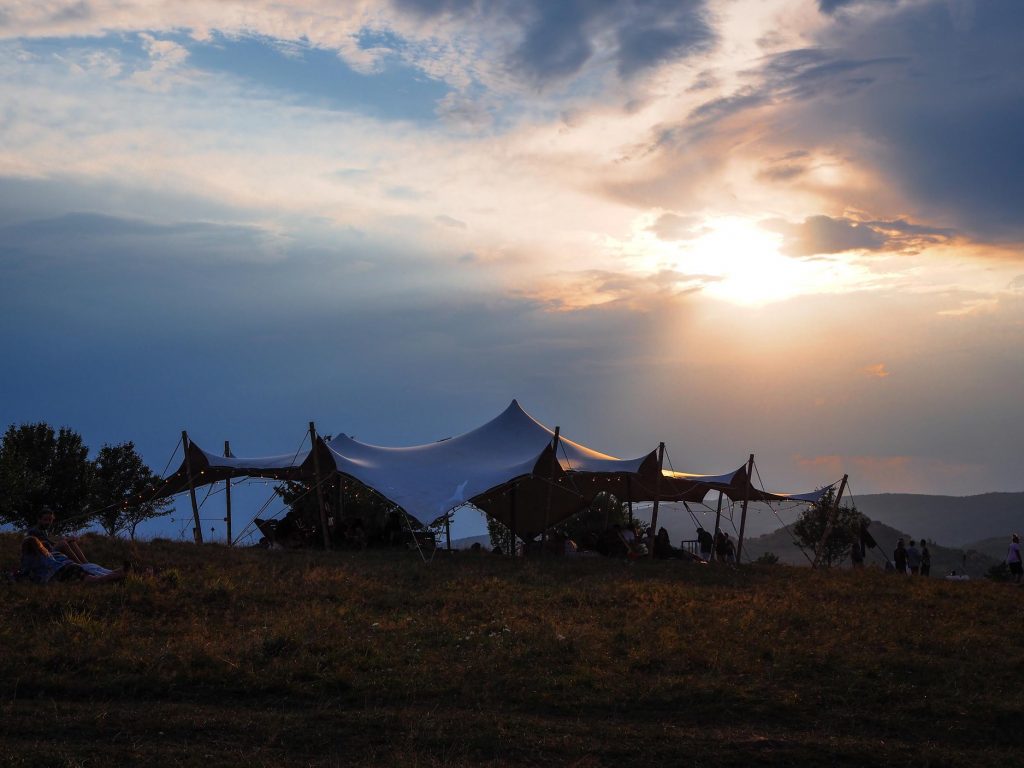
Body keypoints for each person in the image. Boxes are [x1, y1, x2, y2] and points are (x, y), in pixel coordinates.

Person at [20, 537, 125, 584]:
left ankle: (113, 576)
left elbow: (25, 571)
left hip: (60, 573)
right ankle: (117, 574)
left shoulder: (29, 559)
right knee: (90, 576)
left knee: (93, 580)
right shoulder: (47, 554)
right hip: (69, 566)